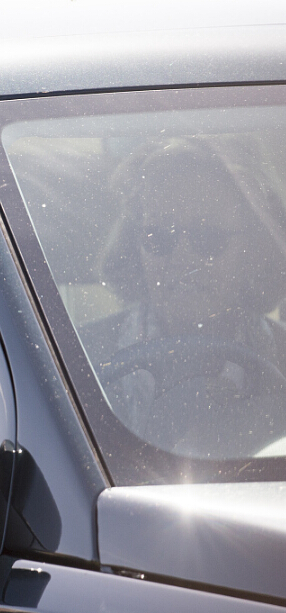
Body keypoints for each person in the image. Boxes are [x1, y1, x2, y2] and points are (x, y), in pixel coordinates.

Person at [86, 137, 286, 456]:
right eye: (158, 238)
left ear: (254, 250)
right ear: (134, 248)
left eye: (208, 238)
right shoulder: (77, 359)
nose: (182, 260)